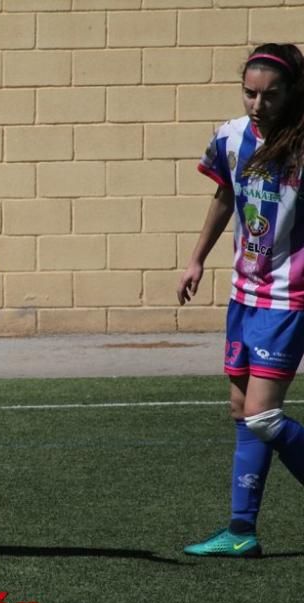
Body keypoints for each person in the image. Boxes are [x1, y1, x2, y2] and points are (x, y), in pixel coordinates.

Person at [178, 43, 304, 557]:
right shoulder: (231, 137)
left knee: (263, 416)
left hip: (288, 297)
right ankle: (240, 530)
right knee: (240, 410)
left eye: (270, 95)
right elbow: (225, 196)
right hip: (243, 293)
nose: (258, 104)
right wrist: (197, 258)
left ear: (292, 92)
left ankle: (241, 529)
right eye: (250, 93)